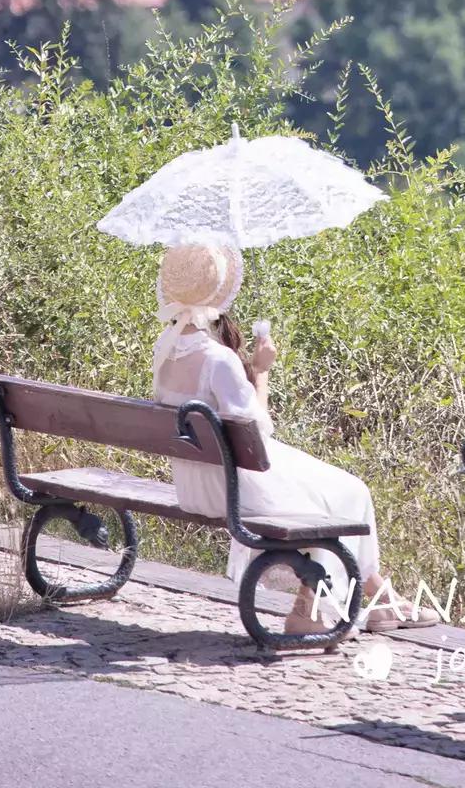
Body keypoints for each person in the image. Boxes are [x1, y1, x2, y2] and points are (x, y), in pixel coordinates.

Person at [152, 237, 405, 634]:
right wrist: (261, 369)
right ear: (221, 293)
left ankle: (378, 598)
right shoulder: (218, 360)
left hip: (194, 483)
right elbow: (258, 429)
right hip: (232, 487)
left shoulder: (164, 350)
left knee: (330, 489)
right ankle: (310, 610)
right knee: (347, 493)